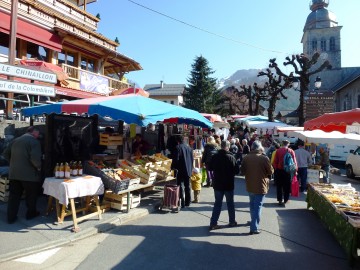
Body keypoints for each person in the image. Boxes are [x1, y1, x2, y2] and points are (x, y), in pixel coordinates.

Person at [3, 126, 42, 224]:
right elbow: (35, 159)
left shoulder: (15, 140)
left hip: (14, 173)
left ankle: (10, 218)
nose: (39, 135)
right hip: (29, 175)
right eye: (38, 133)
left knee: (14, 196)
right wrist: (38, 167)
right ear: (34, 133)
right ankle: (31, 214)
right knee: (31, 195)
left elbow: (5, 154)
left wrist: (13, 163)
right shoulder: (34, 142)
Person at [241, 141, 273, 235]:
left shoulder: (246, 157)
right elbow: (271, 171)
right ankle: (254, 227)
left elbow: (242, 171)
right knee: (257, 206)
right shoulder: (264, 158)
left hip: (250, 185)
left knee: (252, 205)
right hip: (261, 185)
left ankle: (253, 222)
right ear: (260, 148)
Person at [208, 140, 239, 231]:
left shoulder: (215, 156)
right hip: (228, 184)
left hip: (218, 183)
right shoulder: (231, 157)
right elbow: (236, 171)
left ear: (221, 146)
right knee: (230, 204)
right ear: (228, 147)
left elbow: (210, 167)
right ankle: (232, 221)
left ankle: (213, 223)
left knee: (217, 203)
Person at [272, 140, 297, 206]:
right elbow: (294, 162)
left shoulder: (278, 151)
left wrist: (276, 168)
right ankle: (286, 200)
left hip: (279, 170)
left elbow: (275, 162)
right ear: (288, 144)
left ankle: (280, 200)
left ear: (282, 144)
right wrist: (295, 171)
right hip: (288, 171)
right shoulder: (291, 151)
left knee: (279, 186)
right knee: (287, 186)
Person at [171, 135, 193, 208]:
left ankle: (182, 201)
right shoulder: (189, 148)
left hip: (180, 169)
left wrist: (173, 167)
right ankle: (188, 201)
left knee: (180, 185)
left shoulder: (178, 148)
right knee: (187, 186)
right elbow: (192, 159)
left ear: (177, 141)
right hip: (188, 169)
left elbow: (176, 159)